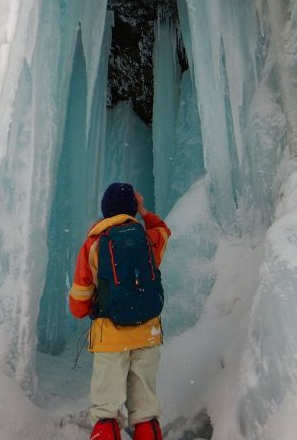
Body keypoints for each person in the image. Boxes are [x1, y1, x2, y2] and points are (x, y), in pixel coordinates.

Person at [69, 182, 171, 440]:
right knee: (144, 396)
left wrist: (81, 310)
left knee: (107, 398)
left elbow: (81, 292)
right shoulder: (147, 239)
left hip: (110, 334)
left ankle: (106, 430)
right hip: (148, 331)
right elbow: (164, 230)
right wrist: (144, 211)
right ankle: (147, 430)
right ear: (132, 211)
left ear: (105, 211)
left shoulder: (93, 243)